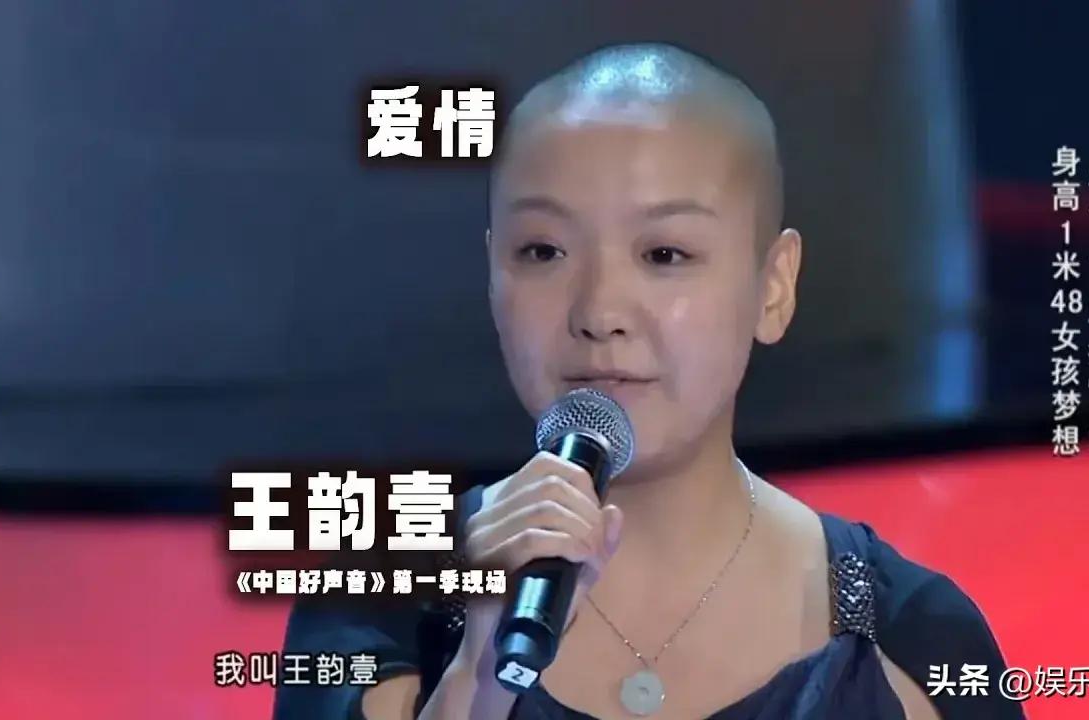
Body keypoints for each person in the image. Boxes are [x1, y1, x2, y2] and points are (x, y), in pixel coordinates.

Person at [275, 43, 1024, 720]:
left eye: (664, 254)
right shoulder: (379, 608)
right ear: (492, 273)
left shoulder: (913, 640)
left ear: (773, 286)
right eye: (542, 251)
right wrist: (478, 680)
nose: (599, 312)